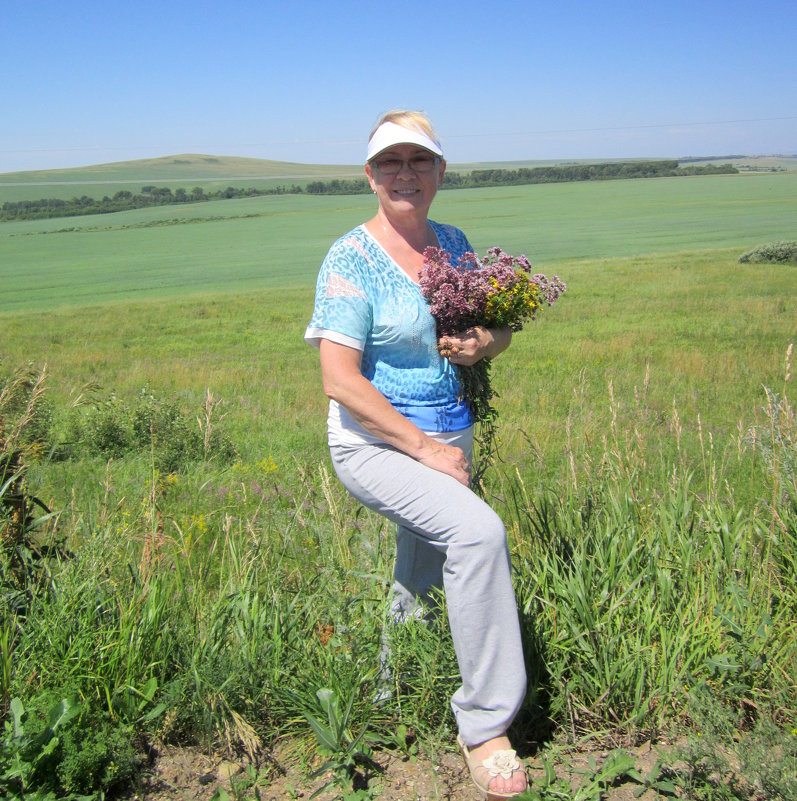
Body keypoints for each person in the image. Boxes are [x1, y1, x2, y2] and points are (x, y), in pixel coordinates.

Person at [305, 110, 528, 798]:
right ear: (370, 176)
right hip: (378, 444)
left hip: (448, 432)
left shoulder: (454, 242)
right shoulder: (348, 257)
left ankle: (393, 690)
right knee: (477, 533)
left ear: (439, 172)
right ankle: (485, 725)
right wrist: (425, 449)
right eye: (391, 163)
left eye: (419, 161)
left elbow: (494, 327)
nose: (406, 174)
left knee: (424, 565)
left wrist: (483, 343)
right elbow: (339, 379)